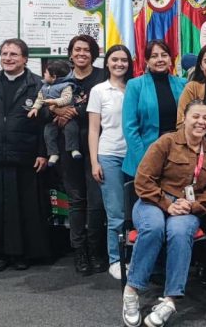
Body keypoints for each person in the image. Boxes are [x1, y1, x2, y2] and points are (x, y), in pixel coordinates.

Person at [121, 100, 206, 327]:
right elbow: (143, 179)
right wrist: (167, 204)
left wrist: (193, 206)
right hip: (153, 201)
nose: (201, 122)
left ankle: (170, 300)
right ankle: (132, 290)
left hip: (188, 207)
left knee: (179, 232)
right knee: (154, 227)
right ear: (184, 118)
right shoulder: (166, 142)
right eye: (196, 116)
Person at [0, 38, 51, 272]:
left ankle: (22, 255)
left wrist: (42, 153)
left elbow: (45, 125)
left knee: (24, 209)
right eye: (4, 54)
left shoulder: (37, 85)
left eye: (14, 54)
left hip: (25, 156)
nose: (8, 58)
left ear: (25, 59)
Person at [53, 35, 109, 274]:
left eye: (86, 50)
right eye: (77, 49)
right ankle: (80, 252)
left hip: (97, 146)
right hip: (69, 147)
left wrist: (74, 111)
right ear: (71, 53)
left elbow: (108, 107)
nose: (81, 53)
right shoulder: (61, 80)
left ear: (93, 54)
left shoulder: (103, 77)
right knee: (76, 201)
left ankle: (96, 250)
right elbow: (44, 109)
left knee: (96, 202)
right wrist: (57, 112)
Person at [88, 44, 133, 280]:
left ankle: (135, 257)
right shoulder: (99, 90)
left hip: (134, 156)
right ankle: (116, 259)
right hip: (109, 156)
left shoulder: (135, 87)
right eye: (115, 59)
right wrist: (94, 162)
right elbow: (93, 130)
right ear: (107, 63)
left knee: (136, 212)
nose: (119, 64)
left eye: (124, 60)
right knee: (116, 212)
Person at [122, 41, 187, 178]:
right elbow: (129, 127)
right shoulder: (135, 85)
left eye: (164, 55)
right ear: (146, 60)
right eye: (154, 56)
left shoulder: (183, 84)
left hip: (177, 155)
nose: (160, 59)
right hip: (144, 154)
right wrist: (144, 159)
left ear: (170, 58)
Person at [30, 59, 79, 167]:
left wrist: (54, 102)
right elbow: (40, 99)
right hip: (52, 118)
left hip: (68, 116)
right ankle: (53, 153)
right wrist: (35, 108)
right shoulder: (44, 87)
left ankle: (73, 149)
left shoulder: (66, 86)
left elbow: (67, 99)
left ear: (54, 77)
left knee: (72, 129)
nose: (44, 74)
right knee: (48, 133)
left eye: (46, 73)